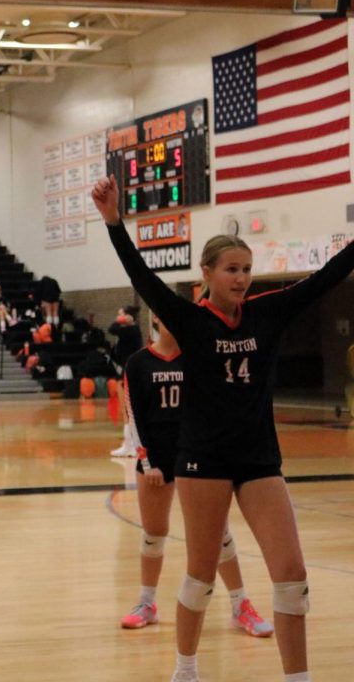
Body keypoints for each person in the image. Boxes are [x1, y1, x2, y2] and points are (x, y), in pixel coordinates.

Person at [92, 174, 354, 682]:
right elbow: (142, 278)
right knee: (200, 576)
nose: (241, 279)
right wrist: (114, 224)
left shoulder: (269, 312)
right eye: (231, 269)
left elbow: (325, 279)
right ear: (207, 273)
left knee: (293, 579)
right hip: (202, 460)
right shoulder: (190, 320)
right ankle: (185, 669)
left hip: (258, 460)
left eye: (248, 270)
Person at [118, 313, 272, 637]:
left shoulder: (198, 358)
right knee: (153, 533)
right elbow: (134, 416)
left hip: (197, 456)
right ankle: (147, 603)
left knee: (219, 534)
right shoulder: (138, 363)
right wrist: (148, 463)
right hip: (156, 459)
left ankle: (239, 604)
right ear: (157, 320)